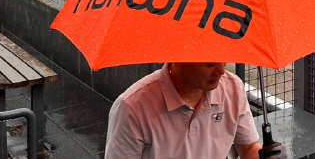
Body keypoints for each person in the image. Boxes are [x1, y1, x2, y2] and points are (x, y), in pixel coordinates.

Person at [105, 62, 262, 158]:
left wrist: (264, 155)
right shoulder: (132, 108)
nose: (221, 71)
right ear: (180, 61)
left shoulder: (233, 88)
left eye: (223, 60)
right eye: (210, 64)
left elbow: (248, 147)